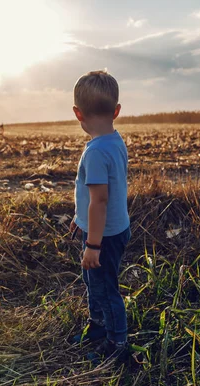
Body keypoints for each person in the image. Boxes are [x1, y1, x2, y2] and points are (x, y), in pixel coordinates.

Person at [68, 70, 131, 364]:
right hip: (111, 229)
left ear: (77, 113)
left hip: (102, 235)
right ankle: (98, 327)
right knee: (94, 281)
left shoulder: (94, 152)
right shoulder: (115, 142)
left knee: (105, 287)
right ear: (116, 111)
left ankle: (117, 344)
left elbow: (100, 200)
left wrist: (93, 245)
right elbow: (95, 202)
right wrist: (81, 218)